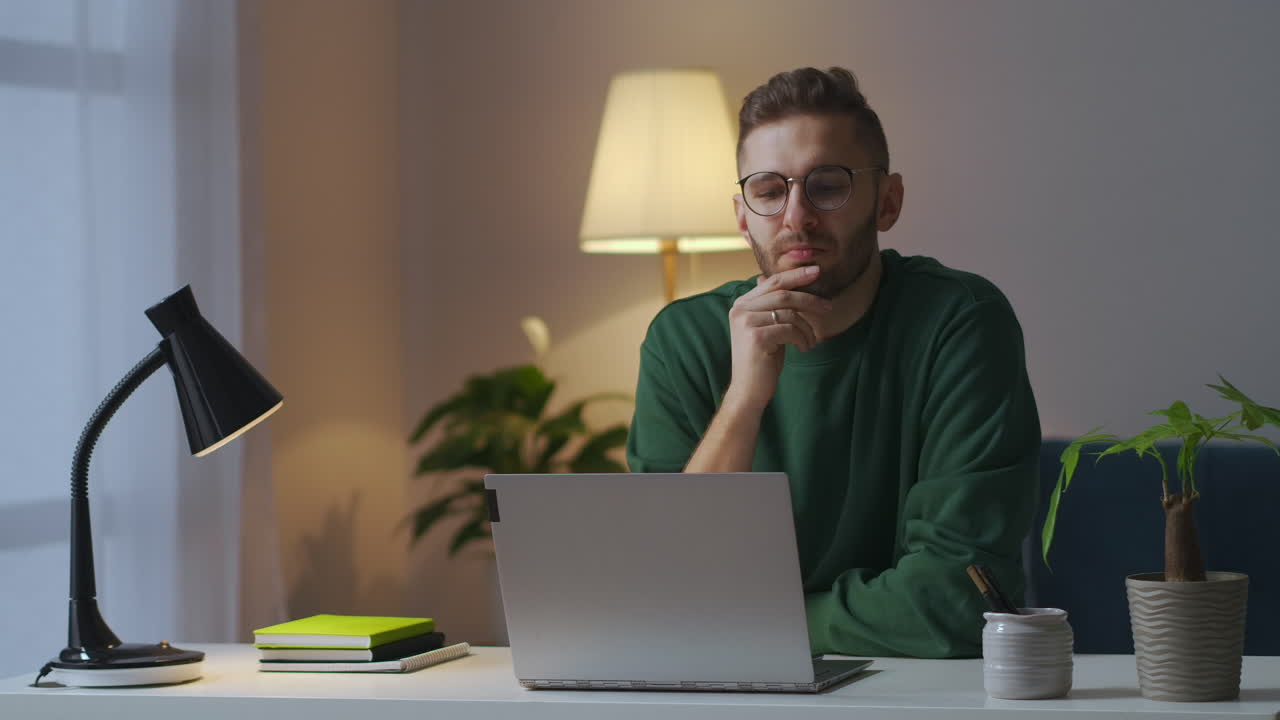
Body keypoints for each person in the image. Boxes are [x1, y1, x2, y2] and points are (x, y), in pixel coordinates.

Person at [625, 67, 1040, 658]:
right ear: (742, 215)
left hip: (919, 692)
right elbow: (667, 588)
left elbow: (953, 601)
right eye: (769, 191)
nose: (796, 217)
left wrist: (745, 622)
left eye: (827, 185)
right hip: (728, 689)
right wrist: (743, 400)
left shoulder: (961, 321)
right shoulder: (682, 340)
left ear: (887, 201)